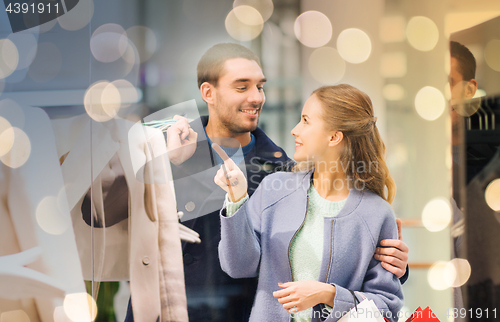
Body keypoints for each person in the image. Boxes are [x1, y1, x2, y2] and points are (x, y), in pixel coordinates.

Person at [130, 43, 408, 321]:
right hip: (166, 309)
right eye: (242, 87)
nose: (256, 97)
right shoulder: (162, 147)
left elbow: (357, 272)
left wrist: (393, 263)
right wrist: (175, 165)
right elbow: (100, 217)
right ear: (208, 93)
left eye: (260, 87)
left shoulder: (281, 173)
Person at [214, 84, 404, 322]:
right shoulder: (274, 190)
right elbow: (238, 266)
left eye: (305, 120)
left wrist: (329, 294)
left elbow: (388, 306)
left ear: (334, 137)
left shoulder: (376, 214)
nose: (295, 130)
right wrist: (236, 199)